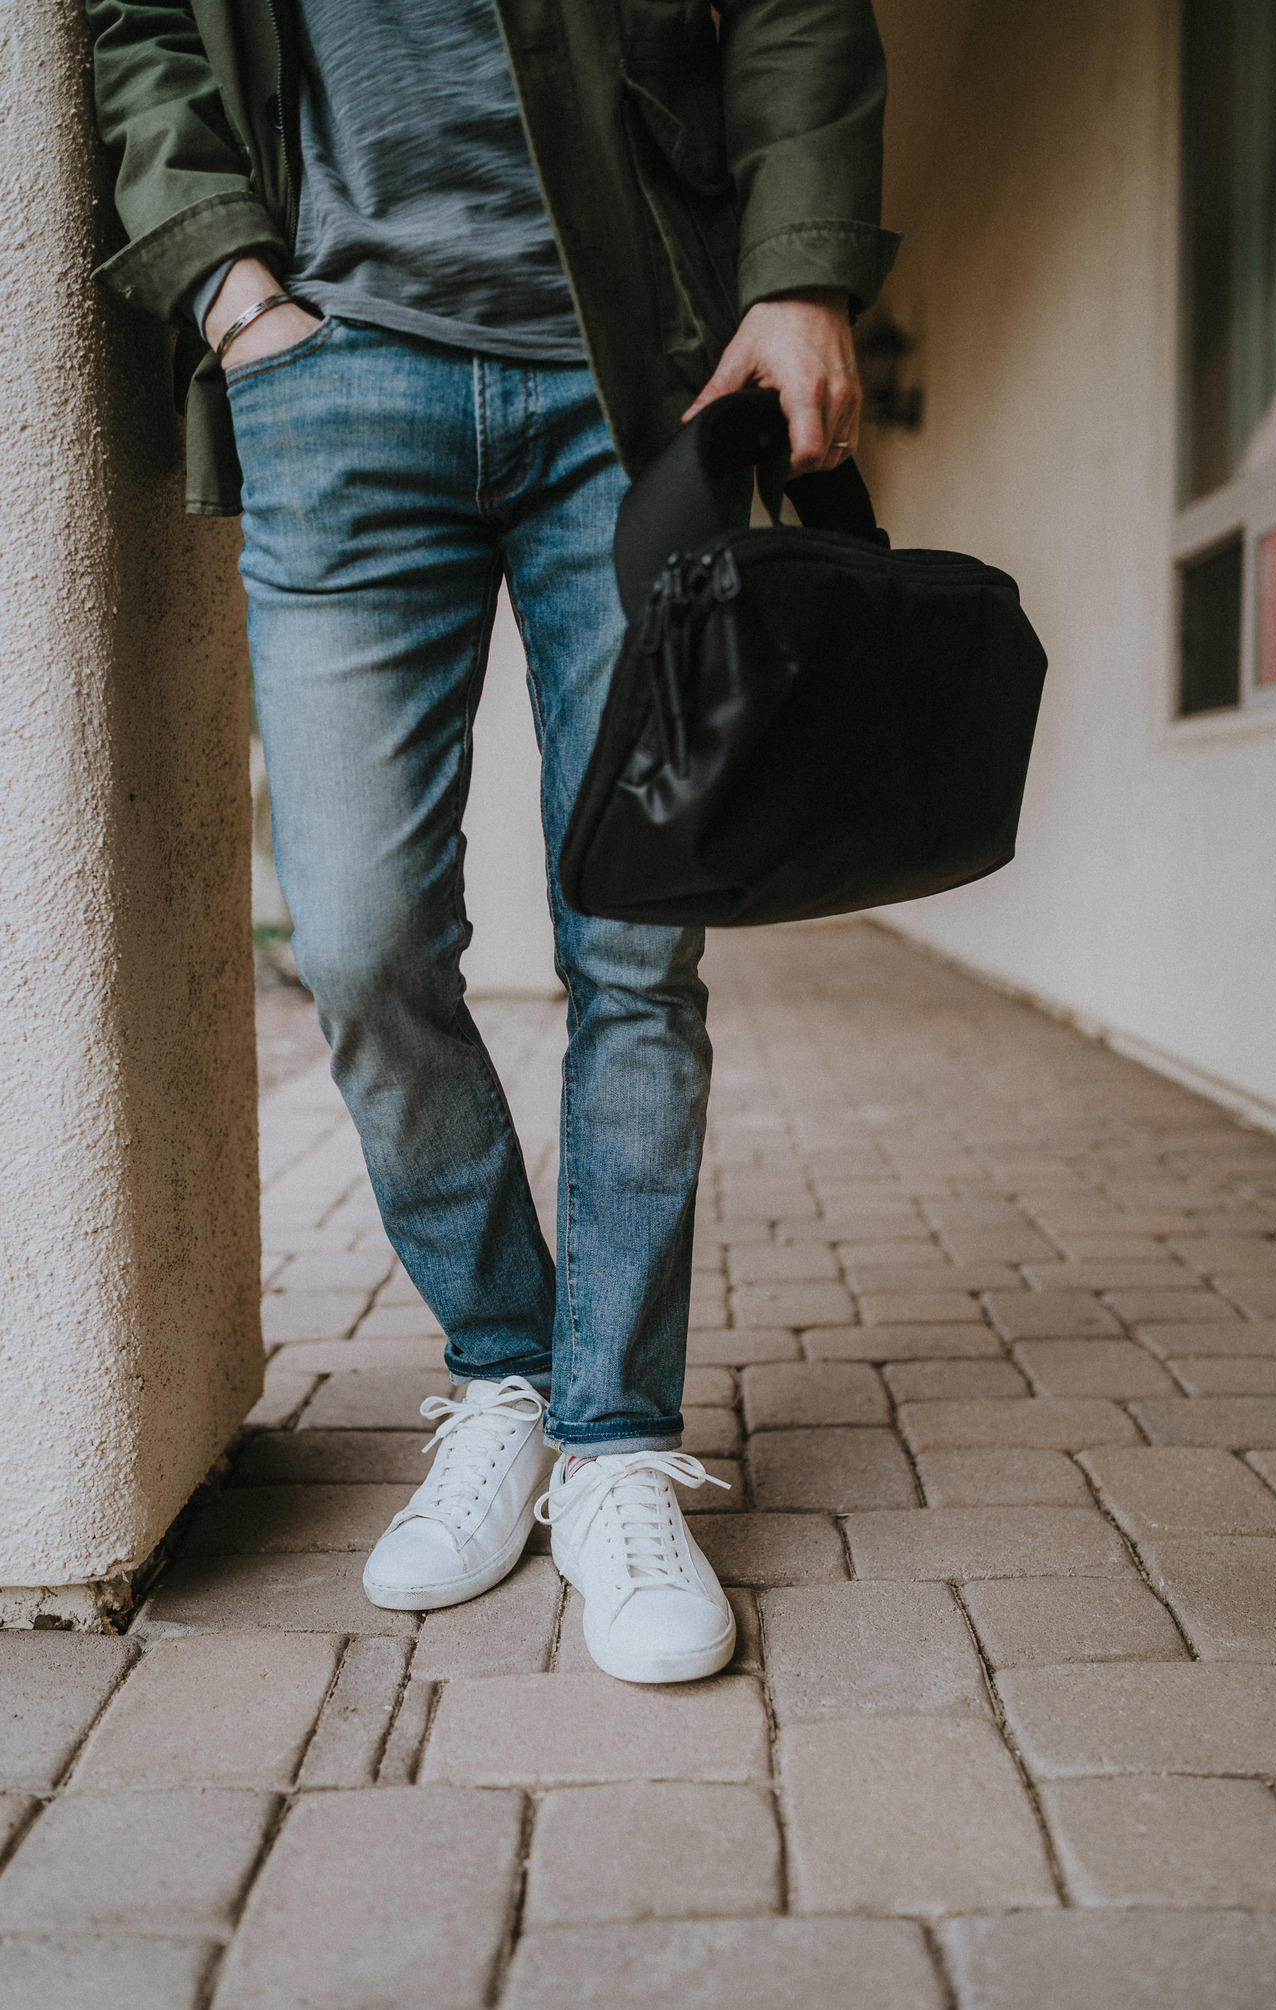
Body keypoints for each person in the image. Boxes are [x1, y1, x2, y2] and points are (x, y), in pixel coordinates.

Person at [86, 0, 897, 1684]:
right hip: (330, 372)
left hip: (639, 370)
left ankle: (610, 1443)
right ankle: (506, 1375)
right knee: (363, 944)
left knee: (636, 938)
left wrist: (800, 262)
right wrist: (230, 285)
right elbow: (143, 20)